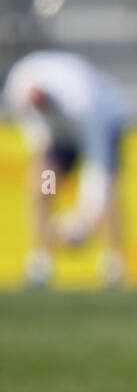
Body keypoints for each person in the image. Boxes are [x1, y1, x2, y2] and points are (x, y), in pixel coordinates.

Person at [4, 50, 128, 288]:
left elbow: (97, 167)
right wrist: (49, 185)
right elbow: (41, 144)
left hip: (105, 120)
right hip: (59, 133)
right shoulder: (18, 89)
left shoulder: (82, 102)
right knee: (40, 183)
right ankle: (40, 263)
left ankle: (113, 264)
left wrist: (83, 218)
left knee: (108, 186)